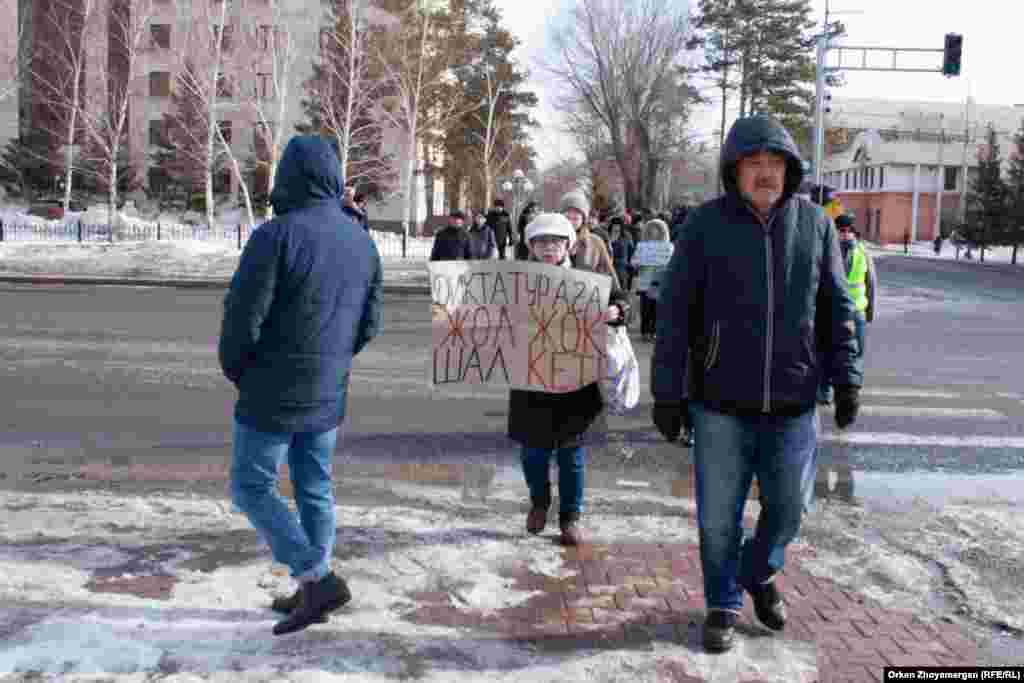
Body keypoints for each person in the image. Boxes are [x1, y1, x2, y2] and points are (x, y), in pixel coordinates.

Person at [650, 113, 862, 654]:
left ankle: (759, 570)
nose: (765, 173)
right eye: (754, 164)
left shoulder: (814, 225)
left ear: (789, 171)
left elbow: (837, 306)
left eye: (775, 164)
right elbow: (675, 311)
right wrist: (668, 392)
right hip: (720, 403)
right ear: (734, 171)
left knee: (790, 505)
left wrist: (847, 378)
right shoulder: (705, 224)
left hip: (794, 400)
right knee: (718, 517)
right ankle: (722, 602)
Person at [219, 135, 383, 636]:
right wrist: (332, 361)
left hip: (272, 388)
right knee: (314, 487)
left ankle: (316, 578)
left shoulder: (275, 235)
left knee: (250, 485)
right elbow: (369, 322)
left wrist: (240, 370)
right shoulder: (362, 239)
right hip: (328, 387)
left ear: (288, 177)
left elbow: (243, 318)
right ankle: (312, 585)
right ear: (333, 178)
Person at [508, 212, 631, 546]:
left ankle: (570, 517)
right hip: (531, 381)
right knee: (532, 454)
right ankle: (539, 502)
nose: (549, 248)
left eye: (556, 242)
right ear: (531, 247)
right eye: (542, 242)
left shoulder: (587, 279)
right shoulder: (515, 280)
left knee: (570, 455)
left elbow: (622, 301)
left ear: (568, 246)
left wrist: (616, 312)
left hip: (576, 382)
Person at [818, 215, 876, 405]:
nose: (844, 234)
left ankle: (839, 392)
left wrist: (869, 312)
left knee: (844, 353)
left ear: (852, 231)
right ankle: (830, 391)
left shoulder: (833, 250)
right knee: (835, 352)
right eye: (841, 230)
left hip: (849, 311)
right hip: (836, 311)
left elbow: (870, 283)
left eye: (846, 230)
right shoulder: (831, 250)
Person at [560, 191, 620, 289]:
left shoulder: (595, 242)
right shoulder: (549, 241)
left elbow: (608, 275)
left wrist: (618, 302)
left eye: (575, 218)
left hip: (585, 299)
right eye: (567, 217)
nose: (570, 222)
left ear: (583, 220)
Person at [631, 218, 672, 344]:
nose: (654, 232)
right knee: (645, 308)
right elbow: (634, 261)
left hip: (660, 282)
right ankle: (645, 332)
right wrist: (636, 263)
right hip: (645, 282)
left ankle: (654, 332)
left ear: (661, 232)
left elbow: (672, 263)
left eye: (656, 230)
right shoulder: (642, 247)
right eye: (651, 230)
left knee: (657, 309)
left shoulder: (668, 247)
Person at [608, 218, 634, 293]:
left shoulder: (626, 237)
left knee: (620, 296)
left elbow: (631, 254)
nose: (616, 229)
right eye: (614, 227)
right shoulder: (607, 236)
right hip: (609, 271)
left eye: (618, 227)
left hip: (621, 272)